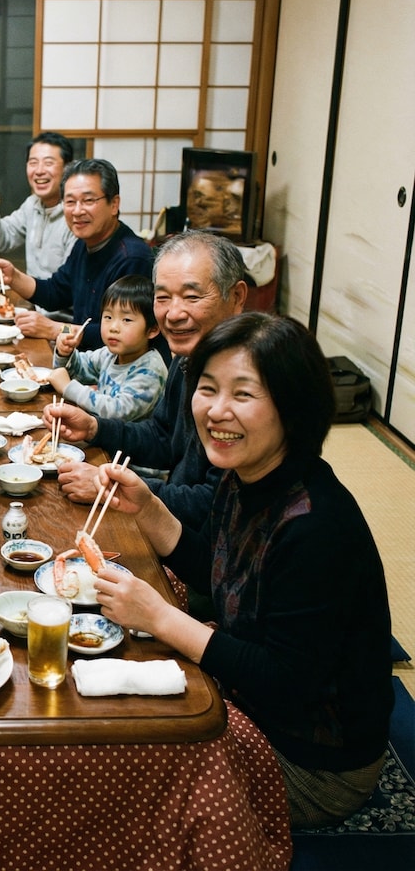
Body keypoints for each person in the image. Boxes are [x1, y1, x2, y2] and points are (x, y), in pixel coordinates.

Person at [91, 313, 393, 828]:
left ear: (293, 409)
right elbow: (218, 568)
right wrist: (147, 508)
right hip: (257, 702)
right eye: (208, 388)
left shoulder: (316, 526)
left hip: (312, 761)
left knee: (119, 770)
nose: (217, 410)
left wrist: (162, 619)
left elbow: (285, 683)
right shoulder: (248, 473)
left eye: (244, 395)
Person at [46, 229, 248, 527]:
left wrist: (111, 488)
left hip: (204, 542)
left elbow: (214, 503)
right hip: (173, 519)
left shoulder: (248, 384)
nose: (174, 313)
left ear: (237, 297)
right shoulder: (187, 360)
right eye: (163, 297)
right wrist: (94, 427)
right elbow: (163, 438)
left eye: (192, 296)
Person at [0, 158, 153, 351]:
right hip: (84, 360)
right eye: (70, 201)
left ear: (114, 204)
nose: (77, 210)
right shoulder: (84, 244)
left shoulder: (131, 258)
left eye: (88, 200)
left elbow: (123, 334)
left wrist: (54, 329)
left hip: (118, 372)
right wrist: (14, 277)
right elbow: (56, 293)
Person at [46, 275, 167, 422]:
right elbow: (75, 370)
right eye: (108, 317)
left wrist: (68, 388)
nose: (113, 327)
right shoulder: (109, 354)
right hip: (100, 437)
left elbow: (118, 412)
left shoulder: (150, 370)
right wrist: (65, 352)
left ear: (152, 330)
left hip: (128, 443)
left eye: (126, 320)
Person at [0, 131, 75, 280]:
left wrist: (19, 281)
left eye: (48, 163)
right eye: (33, 163)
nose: (39, 171)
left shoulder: (76, 214)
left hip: (60, 300)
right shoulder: (32, 204)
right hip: (33, 299)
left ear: (67, 168)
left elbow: (70, 282)